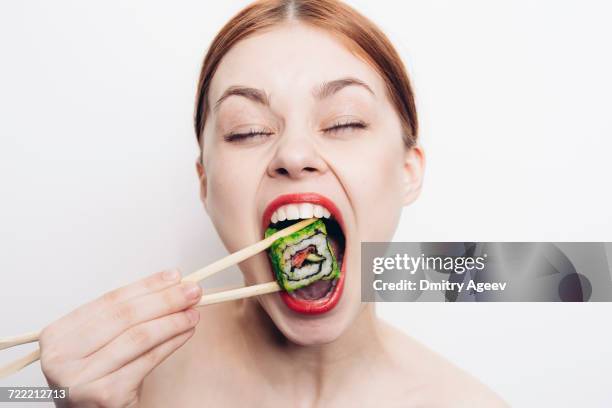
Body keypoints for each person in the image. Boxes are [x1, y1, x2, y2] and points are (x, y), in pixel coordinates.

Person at [39, 1, 508, 406]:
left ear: (409, 170)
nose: (294, 154)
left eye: (343, 123)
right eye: (248, 130)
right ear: (204, 183)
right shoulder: (129, 384)